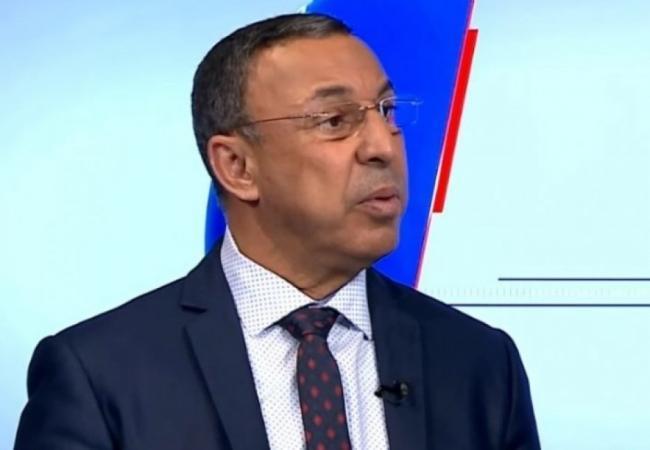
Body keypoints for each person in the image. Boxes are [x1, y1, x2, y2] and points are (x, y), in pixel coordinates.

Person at [14, 13, 540, 450]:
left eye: (387, 111)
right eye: (334, 120)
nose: (383, 145)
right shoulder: (99, 375)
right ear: (237, 166)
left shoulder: (479, 364)